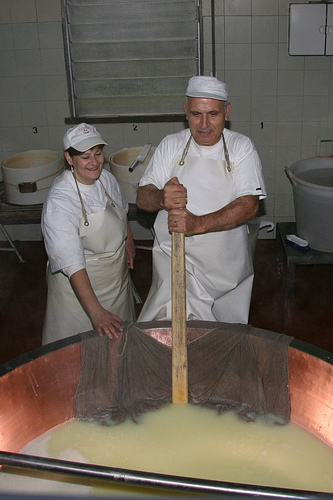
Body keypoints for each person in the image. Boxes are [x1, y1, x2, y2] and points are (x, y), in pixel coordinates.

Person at [136, 76, 266, 324]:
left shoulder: (241, 147)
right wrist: (162, 197)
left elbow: (250, 205)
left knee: (221, 340)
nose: (204, 124)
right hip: (177, 261)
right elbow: (142, 197)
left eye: (213, 114)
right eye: (196, 114)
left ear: (226, 111)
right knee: (173, 326)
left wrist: (197, 225)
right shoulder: (171, 145)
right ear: (185, 111)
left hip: (224, 265)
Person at [41, 123, 135, 345]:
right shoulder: (60, 201)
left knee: (119, 346)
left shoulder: (106, 179)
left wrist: (128, 238)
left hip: (116, 283)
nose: (94, 162)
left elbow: (122, 210)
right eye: (85, 156)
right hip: (79, 291)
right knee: (79, 352)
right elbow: (72, 262)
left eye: (98, 153)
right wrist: (96, 313)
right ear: (69, 158)